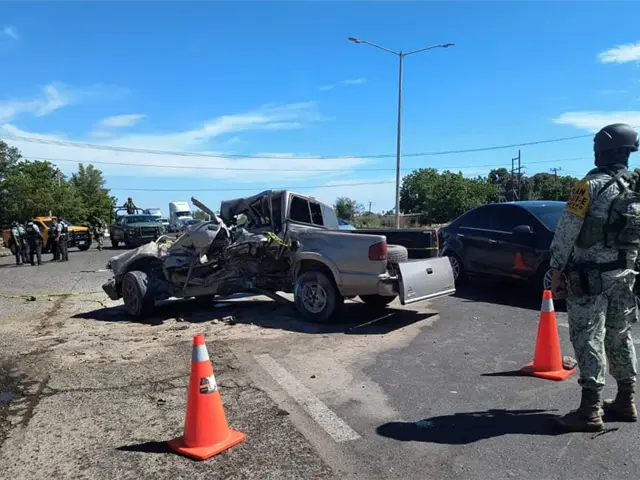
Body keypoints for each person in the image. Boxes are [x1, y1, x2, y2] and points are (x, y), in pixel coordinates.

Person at [550, 123, 639, 432]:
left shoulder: (587, 187)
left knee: (588, 337)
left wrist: (556, 270)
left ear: (600, 150)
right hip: (625, 276)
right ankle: (626, 400)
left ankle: (590, 410)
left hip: (589, 278)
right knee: (620, 335)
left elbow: (566, 232)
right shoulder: (637, 186)